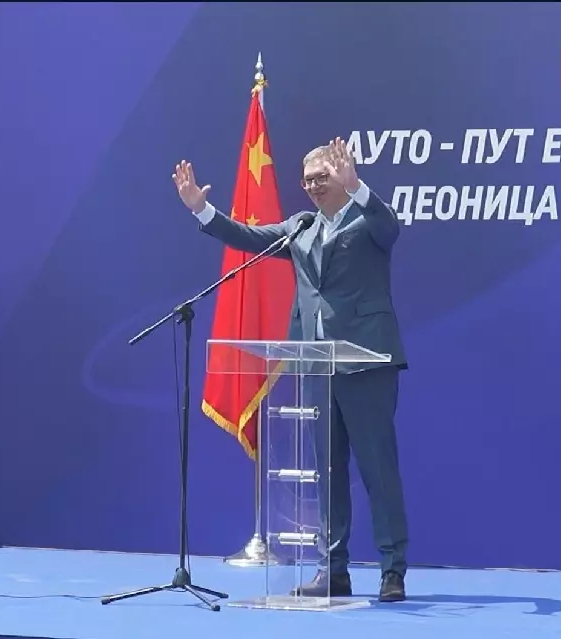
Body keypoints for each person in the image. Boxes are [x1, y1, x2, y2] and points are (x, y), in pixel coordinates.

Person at [173, 137, 410, 602]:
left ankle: (392, 569)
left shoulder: (368, 220)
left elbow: (390, 226)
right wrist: (201, 209)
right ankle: (333, 570)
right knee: (328, 473)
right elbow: (246, 237)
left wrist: (358, 187)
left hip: (366, 364)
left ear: (343, 175)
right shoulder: (300, 228)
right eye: (307, 181)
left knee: (378, 470)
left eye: (323, 177)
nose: (314, 186)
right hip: (316, 367)